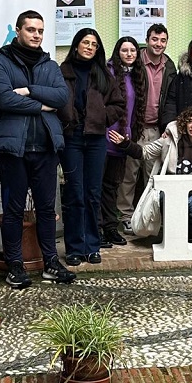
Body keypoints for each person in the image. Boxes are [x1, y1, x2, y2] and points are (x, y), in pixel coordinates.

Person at [0, 10, 74, 289]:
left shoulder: (50, 66)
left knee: (46, 209)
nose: (36, 35)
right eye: (31, 30)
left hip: (46, 148)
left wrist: (27, 90)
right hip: (14, 149)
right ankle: (15, 266)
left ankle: (50, 263)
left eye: (40, 31)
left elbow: (61, 97)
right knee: (13, 209)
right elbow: (3, 99)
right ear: (19, 32)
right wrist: (41, 105)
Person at [108, 107, 192, 240]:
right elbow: (145, 153)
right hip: (168, 191)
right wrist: (125, 144)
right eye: (190, 121)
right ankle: (173, 235)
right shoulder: (170, 140)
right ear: (184, 123)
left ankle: (186, 235)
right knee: (171, 208)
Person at [59, 28, 125, 266]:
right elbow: (55, 101)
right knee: (75, 193)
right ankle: (75, 247)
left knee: (92, 193)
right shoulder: (62, 72)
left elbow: (119, 104)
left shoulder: (104, 74)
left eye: (94, 44)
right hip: (71, 139)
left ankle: (92, 246)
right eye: (85, 42)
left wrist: (101, 116)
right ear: (76, 44)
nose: (89, 47)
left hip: (97, 140)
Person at [117, 23, 176, 234]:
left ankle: (151, 217)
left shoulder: (169, 66)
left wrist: (168, 126)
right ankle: (125, 215)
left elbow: (170, 98)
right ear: (147, 39)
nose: (158, 44)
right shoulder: (135, 60)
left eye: (162, 40)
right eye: (154, 39)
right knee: (129, 174)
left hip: (157, 130)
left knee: (153, 176)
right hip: (135, 128)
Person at [100, 36, 147, 246]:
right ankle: (98, 228)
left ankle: (110, 228)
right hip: (106, 136)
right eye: (124, 50)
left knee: (113, 185)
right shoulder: (108, 72)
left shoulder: (136, 75)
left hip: (123, 138)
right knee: (99, 186)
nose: (129, 54)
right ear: (117, 53)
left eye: (133, 51)